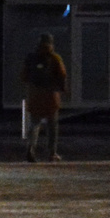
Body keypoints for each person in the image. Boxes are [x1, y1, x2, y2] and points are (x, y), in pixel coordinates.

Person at [21, 33, 68, 162]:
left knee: (34, 123)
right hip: (51, 96)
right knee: (52, 125)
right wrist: (63, 89)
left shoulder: (30, 58)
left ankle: (31, 148)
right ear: (51, 44)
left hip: (35, 95)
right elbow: (62, 75)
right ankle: (52, 152)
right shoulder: (55, 58)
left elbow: (24, 76)